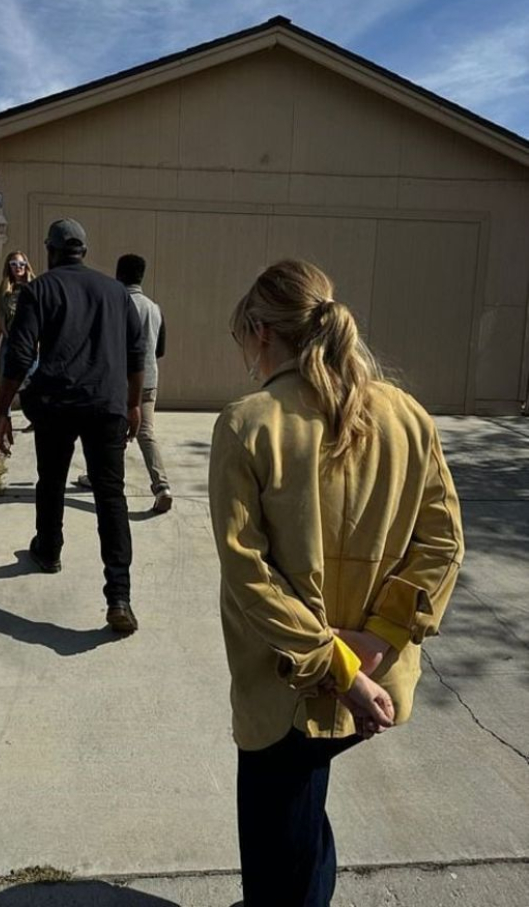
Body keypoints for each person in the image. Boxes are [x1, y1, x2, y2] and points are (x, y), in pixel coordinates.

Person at [209, 259, 464, 907]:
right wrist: (376, 642)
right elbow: (442, 544)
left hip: (286, 691)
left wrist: (340, 668)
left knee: (278, 854)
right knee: (302, 817)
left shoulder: (247, 423)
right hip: (371, 680)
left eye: (244, 338)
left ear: (262, 331)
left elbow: (249, 576)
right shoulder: (408, 416)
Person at [0, 219, 145, 634]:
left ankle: (49, 550)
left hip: (57, 404)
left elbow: (20, 355)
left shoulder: (39, 290)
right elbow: (137, 353)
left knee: (51, 482)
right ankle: (119, 596)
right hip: (106, 405)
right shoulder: (116, 292)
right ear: (83, 250)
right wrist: (133, 404)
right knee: (111, 498)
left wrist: (2, 410)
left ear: (51, 251)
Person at [77, 253, 172, 514]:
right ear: (142, 276)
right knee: (146, 433)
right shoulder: (154, 308)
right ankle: (162, 486)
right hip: (148, 381)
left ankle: (99, 477)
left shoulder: (113, 304)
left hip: (117, 382)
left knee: (105, 432)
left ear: (119, 274)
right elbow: (160, 349)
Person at [0, 251, 34, 419]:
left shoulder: (33, 286)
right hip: (9, 339)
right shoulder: (5, 288)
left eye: (21, 264)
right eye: (14, 264)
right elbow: (0, 316)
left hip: (29, 341)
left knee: (30, 381)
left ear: (26, 266)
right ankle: (4, 417)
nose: (18, 267)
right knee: (4, 380)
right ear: (8, 267)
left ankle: (34, 418)